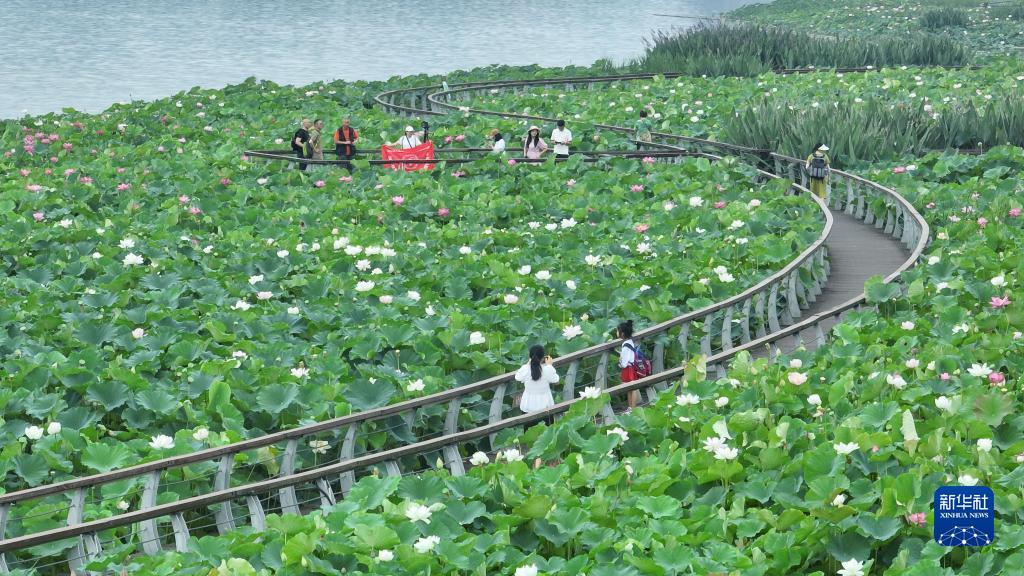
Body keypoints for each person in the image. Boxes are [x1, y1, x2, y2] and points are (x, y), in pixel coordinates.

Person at [515, 344, 559, 468]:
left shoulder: (525, 369)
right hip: (545, 406)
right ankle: (544, 464)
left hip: (528, 406)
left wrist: (529, 363)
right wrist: (550, 365)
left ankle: (533, 464)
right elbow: (556, 379)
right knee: (546, 438)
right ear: (542, 357)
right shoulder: (547, 370)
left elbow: (517, 377)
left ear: (530, 356)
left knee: (531, 439)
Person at [618, 320, 639, 410]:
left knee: (631, 388)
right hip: (631, 367)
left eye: (617, 331)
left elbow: (624, 363)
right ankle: (631, 408)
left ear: (622, 334)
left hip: (627, 369)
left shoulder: (625, 345)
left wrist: (620, 363)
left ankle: (632, 408)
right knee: (630, 388)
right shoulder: (630, 342)